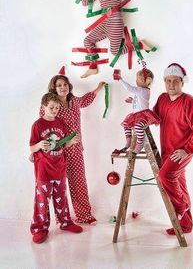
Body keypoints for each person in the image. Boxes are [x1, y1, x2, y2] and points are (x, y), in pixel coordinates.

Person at [41, 75, 105, 225]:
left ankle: (84, 215)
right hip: (57, 151)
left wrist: (98, 88)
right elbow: (43, 124)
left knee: (79, 182)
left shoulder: (74, 101)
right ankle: (61, 218)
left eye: (65, 84)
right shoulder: (51, 105)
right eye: (59, 85)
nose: (63, 87)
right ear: (54, 88)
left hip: (75, 149)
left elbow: (85, 100)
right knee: (58, 185)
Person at [153, 63, 193, 235]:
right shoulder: (162, 99)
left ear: (182, 82)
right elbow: (155, 117)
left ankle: (181, 206)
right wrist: (138, 106)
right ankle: (186, 225)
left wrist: (187, 150)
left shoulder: (191, 103)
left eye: (175, 81)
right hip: (167, 151)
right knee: (180, 185)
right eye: (168, 81)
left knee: (165, 175)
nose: (171, 85)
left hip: (182, 152)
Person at [79, 0, 152, 78]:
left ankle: (139, 45)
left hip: (116, 22)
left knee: (114, 51)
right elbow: (85, 3)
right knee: (87, 40)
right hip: (105, 23)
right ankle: (93, 67)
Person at [29, 93, 83, 244]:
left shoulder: (60, 123)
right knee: (42, 200)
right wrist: (39, 145)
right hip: (43, 170)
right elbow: (32, 147)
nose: (54, 110)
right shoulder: (38, 125)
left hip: (59, 168)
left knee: (61, 199)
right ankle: (39, 228)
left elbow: (62, 144)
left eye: (57, 107)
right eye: (51, 107)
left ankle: (65, 222)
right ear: (43, 107)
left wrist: (71, 142)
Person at [113, 69, 160, 154]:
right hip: (136, 114)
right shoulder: (142, 91)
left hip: (143, 115)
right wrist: (132, 101)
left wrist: (120, 79)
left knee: (138, 126)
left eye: (137, 79)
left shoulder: (142, 90)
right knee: (125, 124)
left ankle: (140, 142)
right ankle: (128, 142)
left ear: (142, 80)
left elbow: (129, 88)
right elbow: (140, 102)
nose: (136, 81)